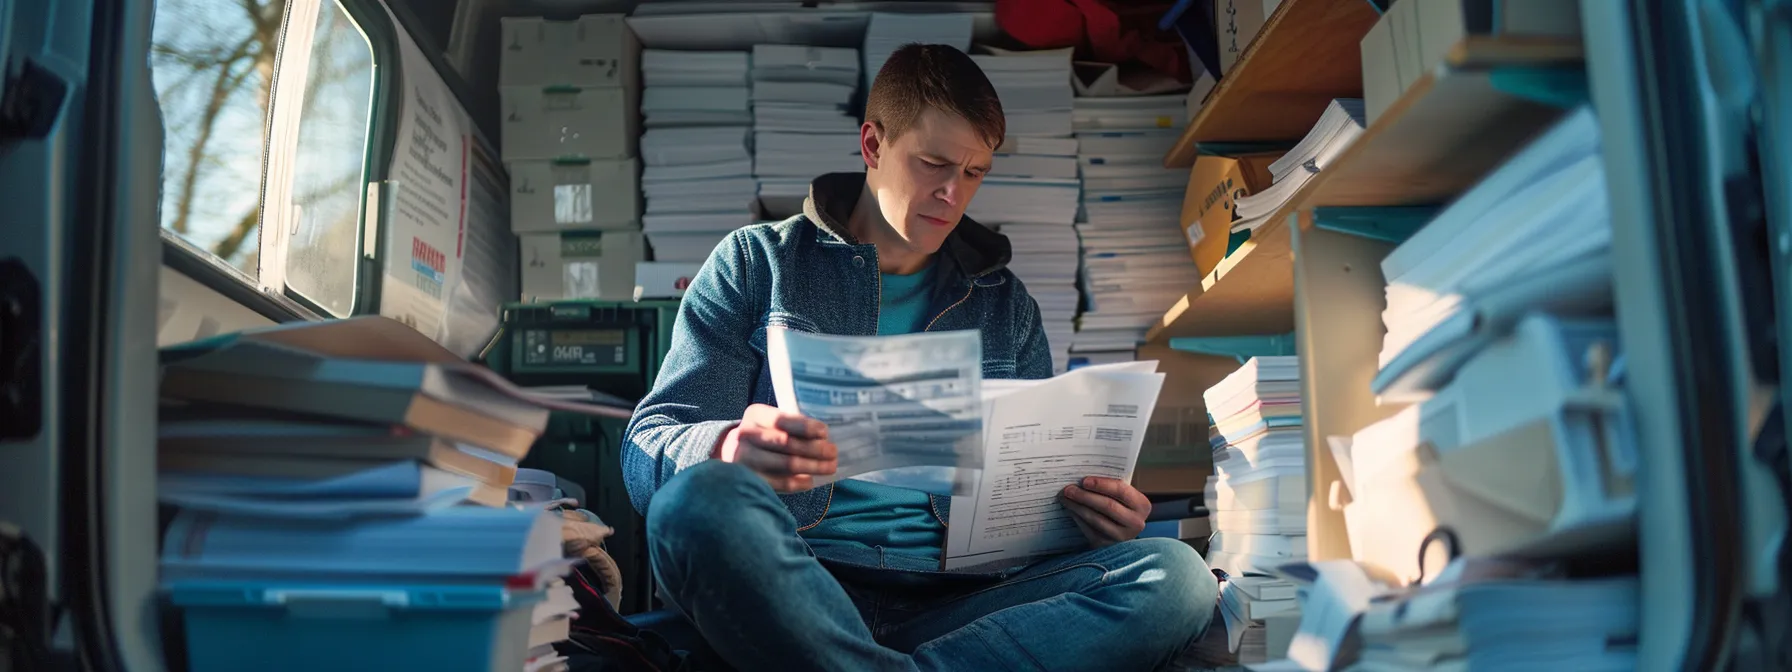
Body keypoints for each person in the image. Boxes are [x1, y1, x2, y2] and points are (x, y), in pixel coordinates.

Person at [622, 43, 1217, 671]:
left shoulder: (1004, 305)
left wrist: (1094, 519)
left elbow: (1032, 516)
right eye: (933, 164)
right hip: (800, 586)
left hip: (961, 603)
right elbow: (647, 448)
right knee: (694, 505)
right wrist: (725, 448)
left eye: (975, 172)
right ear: (873, 146)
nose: (952, 194)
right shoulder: (755, 263)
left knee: (1176, 576)